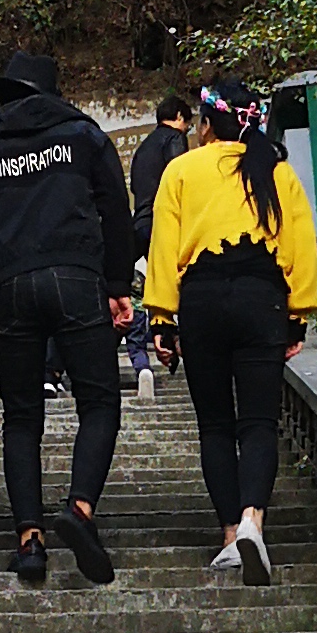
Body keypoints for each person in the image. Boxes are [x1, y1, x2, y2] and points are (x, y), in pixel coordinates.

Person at [0, 49, 135, 585]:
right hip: (76, 278)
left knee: (23, 416)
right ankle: (79, 511)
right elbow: (116, 208)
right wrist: (118, 283)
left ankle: (30, 540)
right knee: (98, 401)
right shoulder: (82, 136)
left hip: (11, 289)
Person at [142, 69, 317, 583]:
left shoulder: (182, 171)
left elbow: (163, 248)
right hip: (261, 298)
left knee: (216, 425)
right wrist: (297, 317)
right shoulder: (275, 171)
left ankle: (227, 538)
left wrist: (160, 317)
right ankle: (252, 522)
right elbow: (300, 246)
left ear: (206, 125)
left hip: (202, 301)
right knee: (260, 421)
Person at [125, 90, 191, 400]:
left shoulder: (143, 148)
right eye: (188, 124)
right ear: (179, 118)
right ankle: (173, 343)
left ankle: (144, 349)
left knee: (145, 290)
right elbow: (182, 180)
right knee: (180, 285)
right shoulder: (173, 141)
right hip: (163, 223)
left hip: (140, 223)